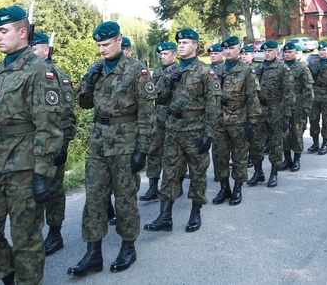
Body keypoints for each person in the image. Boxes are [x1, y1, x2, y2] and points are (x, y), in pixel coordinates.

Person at [0, 6, 64, 285]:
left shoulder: (39, 71)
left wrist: (42, 172)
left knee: (26, 237)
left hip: (25, 164)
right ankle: (10, 277)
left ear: (22, 32)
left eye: (3, 31)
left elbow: (49, 126)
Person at [69, 21, 155, 275]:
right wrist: (90, 76)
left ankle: (128, 247)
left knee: (125, 198)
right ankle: (93, 253)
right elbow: (84, 103)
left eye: (106, 45)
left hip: (126, 143)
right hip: (98, 143)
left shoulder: (136, 71)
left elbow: (147, 114)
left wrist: (143, 149)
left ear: (119, 41)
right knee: (94, 198)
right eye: (98, 45)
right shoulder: (96, 69)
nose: (101, 50)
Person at [144, 28, 219, 233]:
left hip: (196, 130)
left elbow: (213, 105)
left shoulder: (205, 72)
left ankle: (195, 214)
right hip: (173, 129)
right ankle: (165, 217)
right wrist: (169, 80)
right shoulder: (170, 71)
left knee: (197, 173)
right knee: (169, 172)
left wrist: (209, 134)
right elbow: (159, 98)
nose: (181, 45)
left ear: (195, 45)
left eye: (186, 42)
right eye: (179, 42)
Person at [30, 32, 77, 257]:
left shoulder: (57, 76)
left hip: (52, 144)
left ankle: (55, 233)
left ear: (46, 50)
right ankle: (31, 235)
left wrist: (64, 146)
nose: (29, 52)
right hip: (27, 145)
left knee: (53, 189)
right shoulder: (24, 74)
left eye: (34, 48)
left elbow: (67, 114)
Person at [211, 35, 260, 205]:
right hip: (219, 119)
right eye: (225, 48)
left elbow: (253, 97)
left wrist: (252, 121)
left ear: (239, 49)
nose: (227, 51)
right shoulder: (217, 69)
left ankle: (237, 189)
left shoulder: (246, 70)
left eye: (231, 48)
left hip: (239, 118)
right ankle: (224, 188)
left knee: (239, 156)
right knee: (219, 155)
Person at [248, 40, 294, 188]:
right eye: (265, 51)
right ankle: (258, 172)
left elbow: (289, 94)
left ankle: (274, 173)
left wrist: (286, 115)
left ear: (277, 52)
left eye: (270, 51)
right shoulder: (258, 68)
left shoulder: (282, 68)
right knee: (255, 143)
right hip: (260, 110)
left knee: (275, 143)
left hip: (276, 109)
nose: (267, 53)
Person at [140, 41, 178, 202]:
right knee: (154, 151)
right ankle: (153, 187)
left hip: (174, 118)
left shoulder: (179, 71)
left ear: (174, 55)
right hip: (158, 117)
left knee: (174, 154)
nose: (163, 57)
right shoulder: (156, 72)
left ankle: (175, 184)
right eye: (161, 54)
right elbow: (152, 93)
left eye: (166, 54)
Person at [280, 43, 313, 172]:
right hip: (283, 105)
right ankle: (287, 158)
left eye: (290, 52)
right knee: (284, 133)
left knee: (297, 132)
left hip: (298, 105)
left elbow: (308, 87)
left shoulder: (302, 67)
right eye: (285, 52)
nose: (287, 54)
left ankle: (296, 159)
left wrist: (307, 106)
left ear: (295, 52)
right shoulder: (280, 67)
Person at [307, 41, 327, 154]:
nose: (321, 52)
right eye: (319, 50)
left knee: (326, 121)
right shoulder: (312, 64)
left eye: (324, 50)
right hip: (314, 95)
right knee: (313, 120)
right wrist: (311, 75)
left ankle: (325, 143)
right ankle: (315, 143)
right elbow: (306, 80)